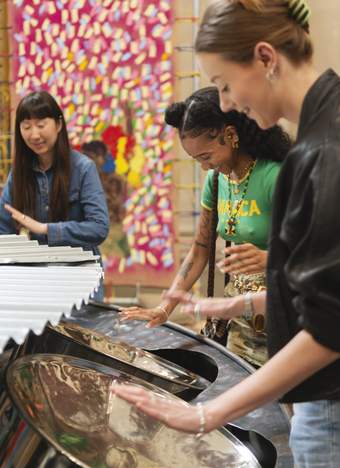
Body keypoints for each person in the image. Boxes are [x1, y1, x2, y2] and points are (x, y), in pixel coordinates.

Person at [114, 1, 340, 466]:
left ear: (264, 58)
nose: (227, 104)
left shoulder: (322, 150)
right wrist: (241, 304)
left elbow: (329, 326)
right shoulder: (322, 129)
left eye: (224, 85)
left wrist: (207, 416)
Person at [119, 86, 290, 367]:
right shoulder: (216, 181)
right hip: (239, 319)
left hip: (283, 314)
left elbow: (314, 253)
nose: (204, 168)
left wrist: (268, 259)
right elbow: (200, 250)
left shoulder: (275, 176)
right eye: (197, 159)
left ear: (231, 135)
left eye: (206, 156)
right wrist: (165, 308)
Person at [0, 91, 109, 298]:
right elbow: (3, 227)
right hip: (37, 280)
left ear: (58, 125)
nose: (34, 134)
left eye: (41, 125)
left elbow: (99, 228)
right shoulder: (19, 173)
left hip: (82, 279)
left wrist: (46, 229)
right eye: (26, 127)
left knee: (78, 331)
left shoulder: (83, 168)